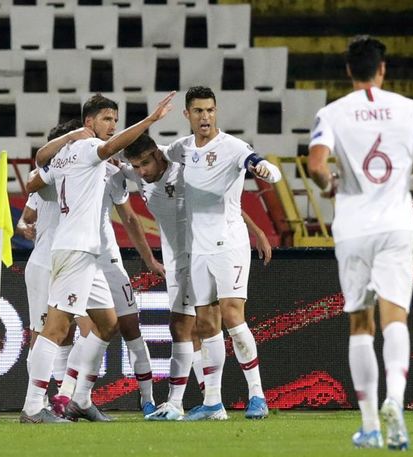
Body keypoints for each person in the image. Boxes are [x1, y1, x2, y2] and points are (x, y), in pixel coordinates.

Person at [307, 35, 413, 450]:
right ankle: (395, 404)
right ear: (382, 69)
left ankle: (369, 425)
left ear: (349, 70)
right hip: (397, 226)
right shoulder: (409, 109)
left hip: (352, 228)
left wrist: (330, 184)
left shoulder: (331, 112)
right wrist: (410, 180)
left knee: (360, 324)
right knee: (394, 317)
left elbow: (315, 165)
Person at [19, 91, 175, 423]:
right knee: (57, 329)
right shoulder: (89, 149)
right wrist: (150, 121)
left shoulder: (63, 154)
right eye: (107, 119)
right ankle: (33, 406)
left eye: (115, 121)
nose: (112, 126)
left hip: (86, 252)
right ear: (89, 122)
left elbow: (39, 165)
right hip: (74, 248)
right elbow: (109, 147)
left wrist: (69, 139)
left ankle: (80, 399)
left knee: (107, 323)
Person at [122, 133, 273, 421]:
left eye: (144, 164)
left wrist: (256, 230)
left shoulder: (184, 163)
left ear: (157, 154)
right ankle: (201, 403)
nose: (140, 172)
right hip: (177, 259)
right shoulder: (135, 171)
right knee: (185, 326)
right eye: (136, 166)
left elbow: (221, 199)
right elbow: (107, 154)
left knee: (223, 318)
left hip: (205, 250)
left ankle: (252, 394)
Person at [164, 87, 281, 421]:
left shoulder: (232, 147)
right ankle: (214, 402)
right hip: (197, 248)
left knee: (232, 315)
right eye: (199, 111)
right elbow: (161, 154)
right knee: (205, 324)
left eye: (211, 110)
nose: (205, 117)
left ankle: (258, 396)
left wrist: (266, 171)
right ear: (187, 115)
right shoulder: (182, 148)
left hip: (229, 243)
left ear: (217, 112)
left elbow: (260, 165)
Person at [16, 120, 85, 388]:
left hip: (71, 263)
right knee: (41, 332)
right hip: (45, 264)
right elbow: (25, 218)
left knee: (67, 332)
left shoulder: (82, 176)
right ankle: (36, 401)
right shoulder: (44, 177)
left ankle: (62, 397)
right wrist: (24, 228)